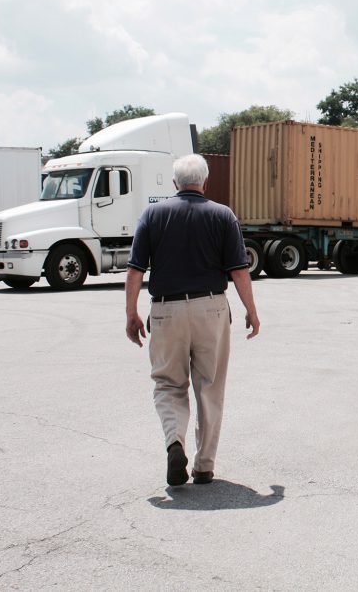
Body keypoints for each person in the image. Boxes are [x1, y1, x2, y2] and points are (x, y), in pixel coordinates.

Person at [124, 153, 259, 486]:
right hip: (211, 309)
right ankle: (204, 466)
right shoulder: (222, 215)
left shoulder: (153, 214)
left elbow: (135, 269)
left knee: (169, 384)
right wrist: (251, 311)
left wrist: (131, 313)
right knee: (210, 388)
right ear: (206, 181)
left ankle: (174, 441)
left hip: (166, 309)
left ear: (174, 183)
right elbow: (239, 270)